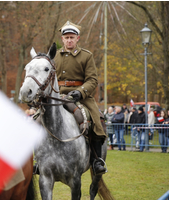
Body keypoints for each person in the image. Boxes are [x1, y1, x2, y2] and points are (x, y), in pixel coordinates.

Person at [54, 21, 107, 175]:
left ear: (77, 38)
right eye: (66, 37)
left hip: (80, 97)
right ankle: (40, 159)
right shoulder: (54, 55)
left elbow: (92, 80)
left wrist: (80, 91)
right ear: (62, 39)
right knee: (38, 119)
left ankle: (97, 160)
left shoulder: (86, 56)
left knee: (95, 120)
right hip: (57, 96)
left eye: (72, 37)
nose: (69, 40)